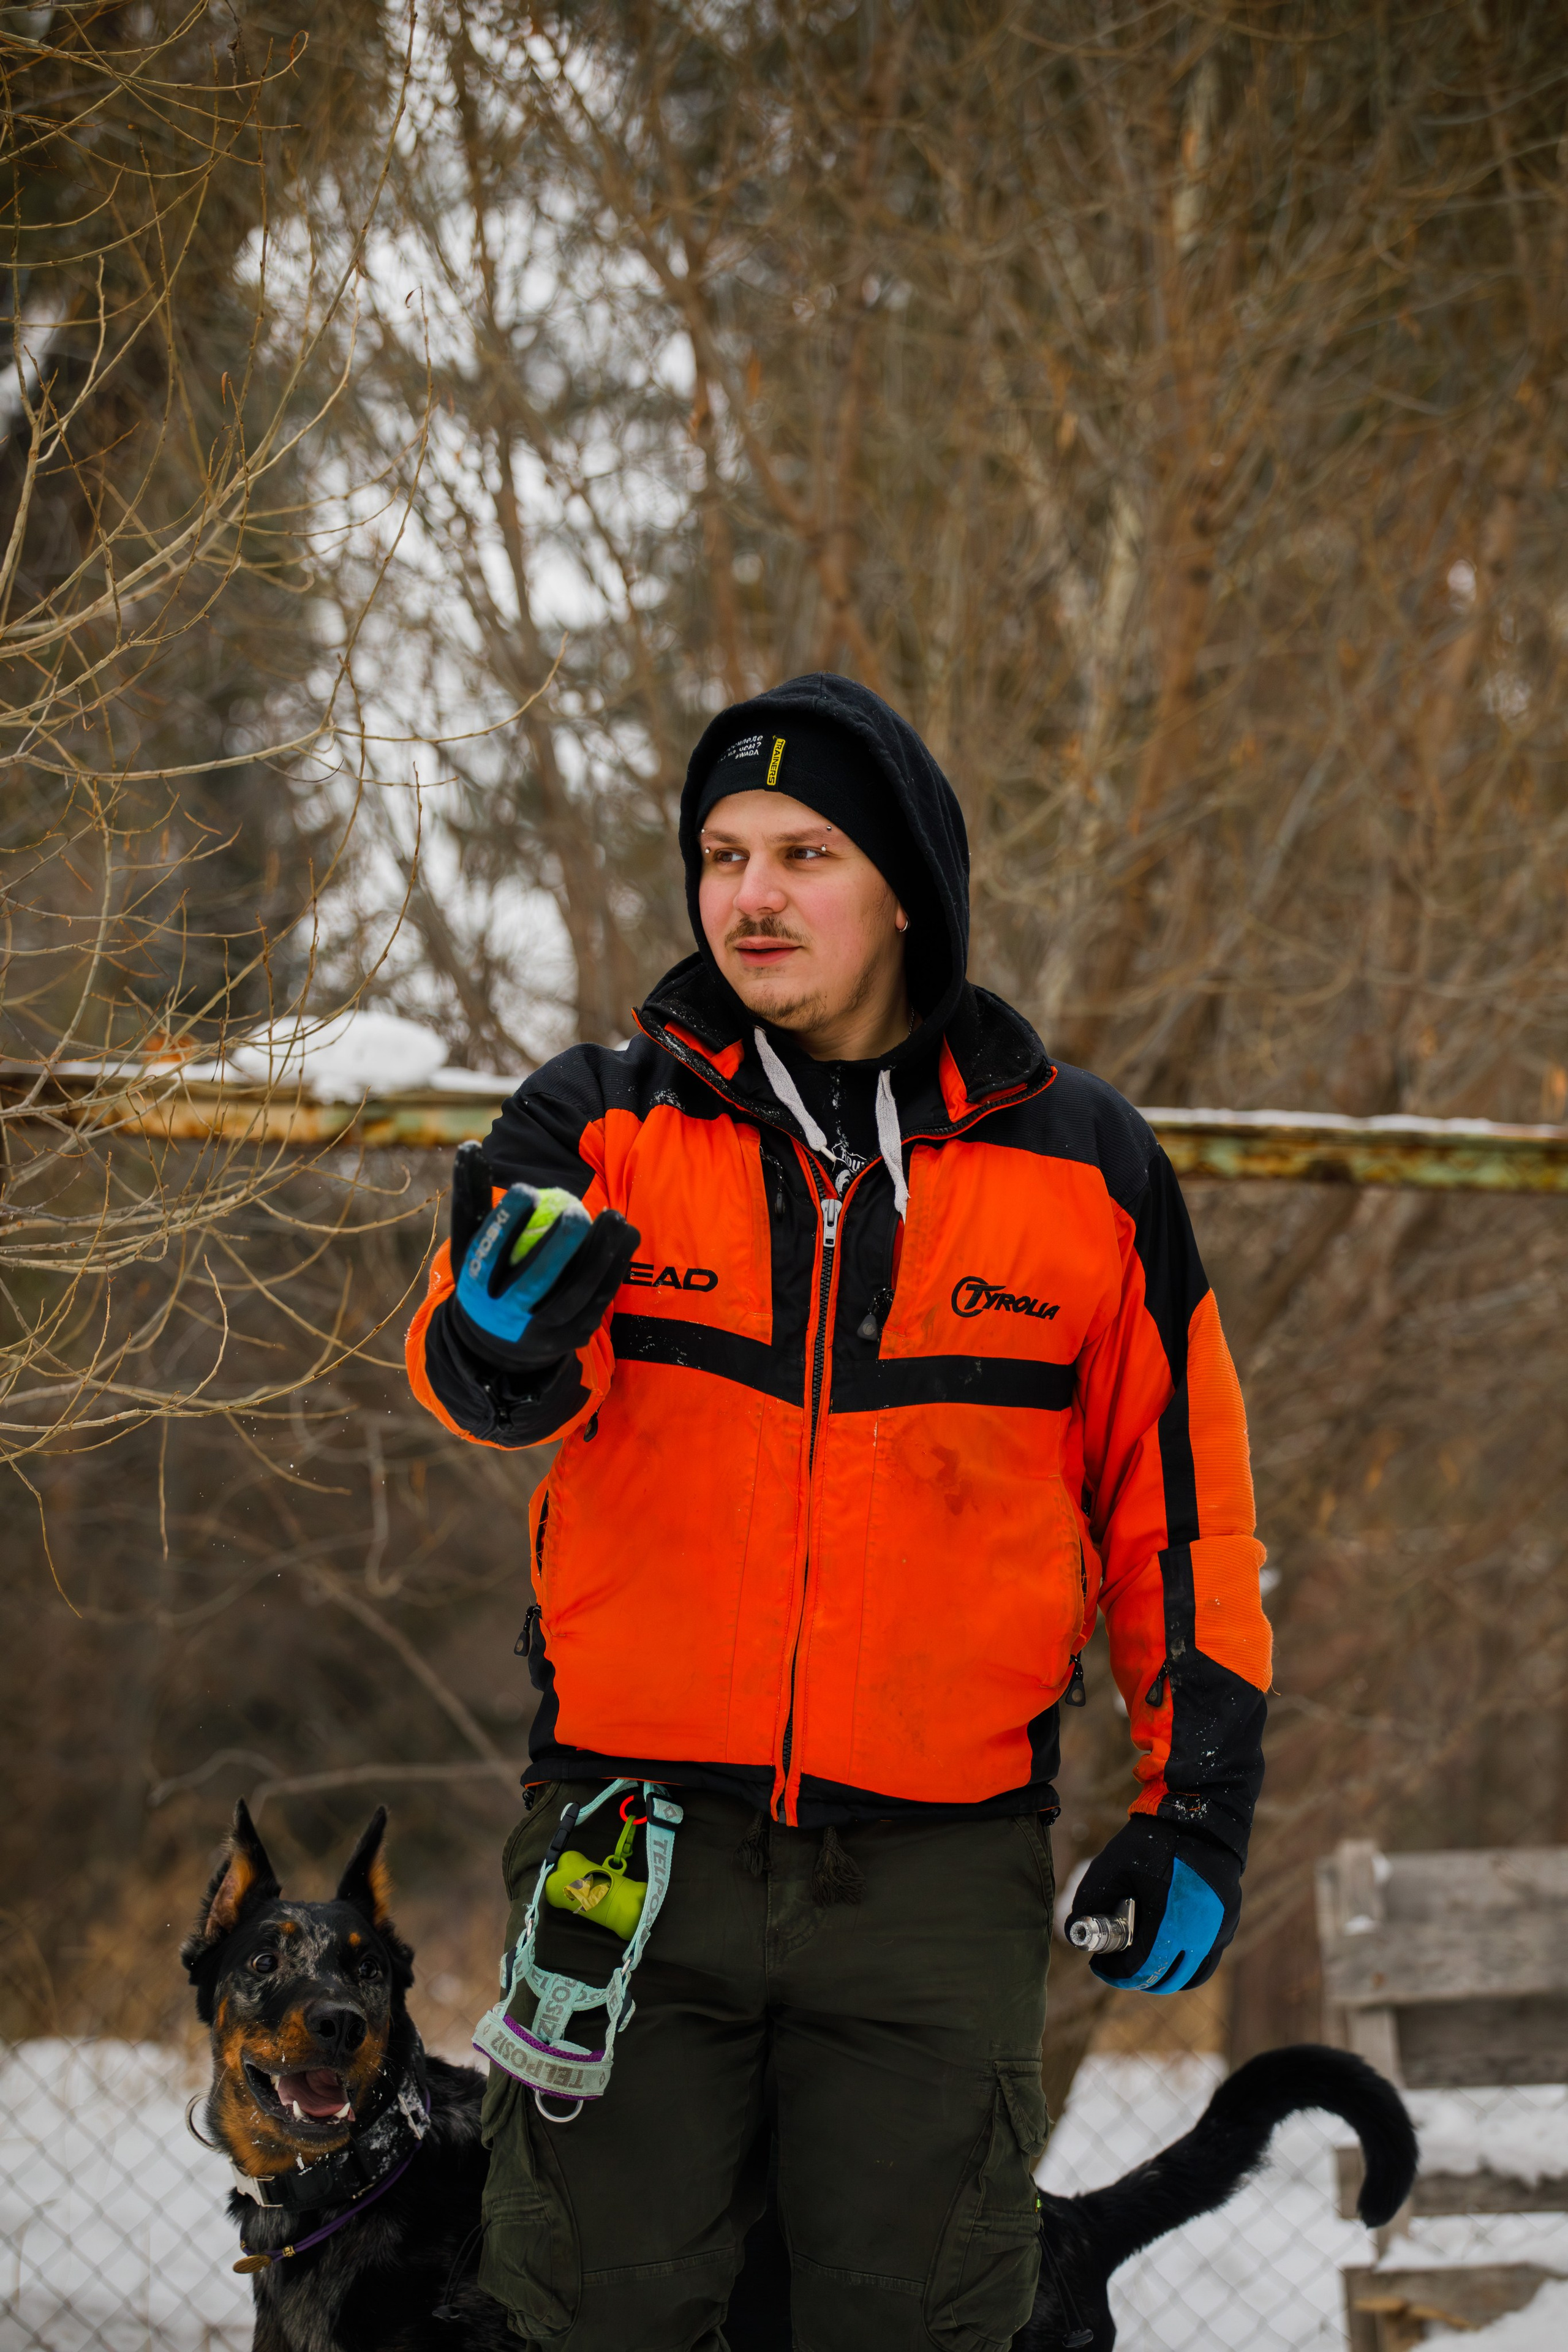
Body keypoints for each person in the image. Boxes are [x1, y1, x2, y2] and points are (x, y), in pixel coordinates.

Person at [405, 673, 1271, 2352]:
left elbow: (1187, 1518)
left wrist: (1202, 1806)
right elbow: (465, 1366)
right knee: (590, 2308)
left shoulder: (1086, 1168)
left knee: (914, 2316)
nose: (750, 895)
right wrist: (503, 1336)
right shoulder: (600, 1122)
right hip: (624, 1854)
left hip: (936, 1878)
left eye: (804, 852)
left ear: (905, 890)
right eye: (723, 854)